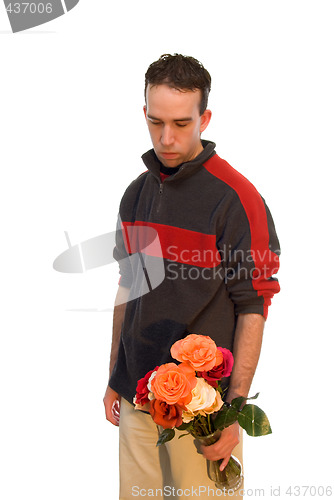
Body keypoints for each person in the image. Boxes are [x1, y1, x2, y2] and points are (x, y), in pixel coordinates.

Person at [103, 53, 280, 499]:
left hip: (202, 410)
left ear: (205, 117)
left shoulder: (237, 199)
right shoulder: (137, 193)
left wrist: (233, 412)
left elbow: (253, 307)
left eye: (181, 123)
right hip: (137, 400)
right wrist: (114, 377)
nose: (167, 137)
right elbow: (129, 287)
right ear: (144, 113)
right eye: (156, 121)